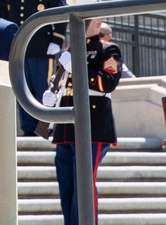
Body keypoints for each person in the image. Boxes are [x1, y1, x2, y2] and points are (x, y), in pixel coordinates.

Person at [43, 15, 122, 225]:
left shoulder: (108, 50)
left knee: (83, 187)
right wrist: (51, 95)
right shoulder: (68, 51)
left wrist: (78, 67)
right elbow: (60, 83)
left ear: (97, 23)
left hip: (92, 126)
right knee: (67, 188)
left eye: (84, 20)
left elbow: (107, 83)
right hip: (65, 129)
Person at [2, 0, 65, 135]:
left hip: (41, 48)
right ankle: (28, 129)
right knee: (23, 90)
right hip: (19, 49)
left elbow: (60, 13)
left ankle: (44, 128)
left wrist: (57, 39)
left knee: (42, 88)